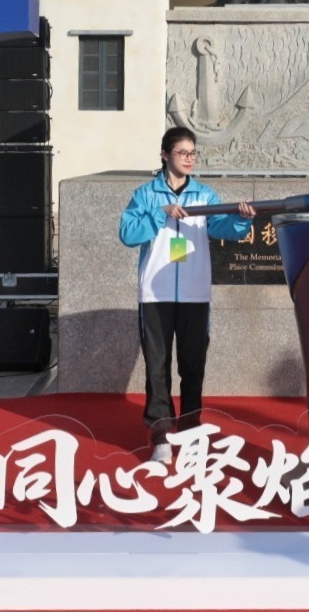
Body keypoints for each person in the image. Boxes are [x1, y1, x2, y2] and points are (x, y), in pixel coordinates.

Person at [118, 126, 253, 462]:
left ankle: (191, 432)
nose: (189, 159)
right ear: (165, 155)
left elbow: (224, 228)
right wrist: (158, 212)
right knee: (157, 367)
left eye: (193, 153)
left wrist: (242, 221)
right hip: (156, 294)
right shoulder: (146, 194)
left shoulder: (204, 195)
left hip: (194, 294)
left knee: (193, 367)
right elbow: (128, 234)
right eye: (183, 153)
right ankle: (161, 435)